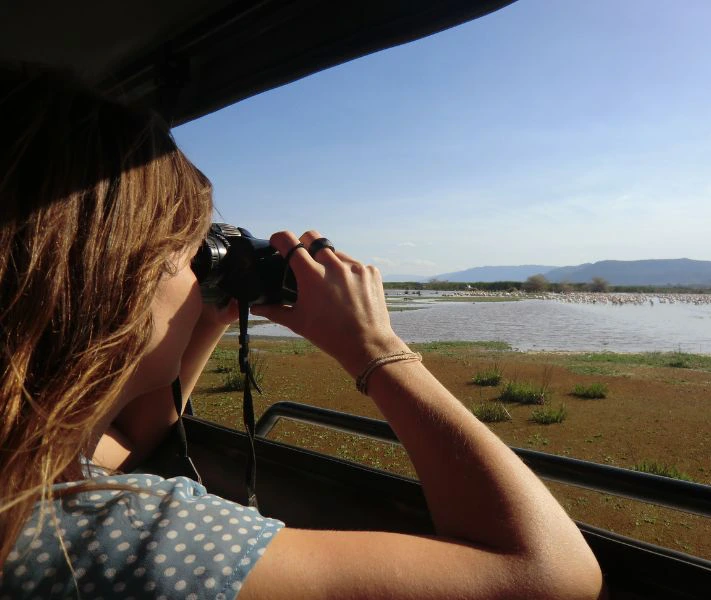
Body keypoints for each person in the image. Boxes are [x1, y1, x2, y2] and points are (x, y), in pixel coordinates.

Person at [0, 65, 605, 600]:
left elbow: (131, 437)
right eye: (187, 261)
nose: (195, 280)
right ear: (115, 287)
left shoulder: (27, 461)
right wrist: (377, 349)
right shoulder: (121, 543)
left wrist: (210, 316)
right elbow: (549, 573)